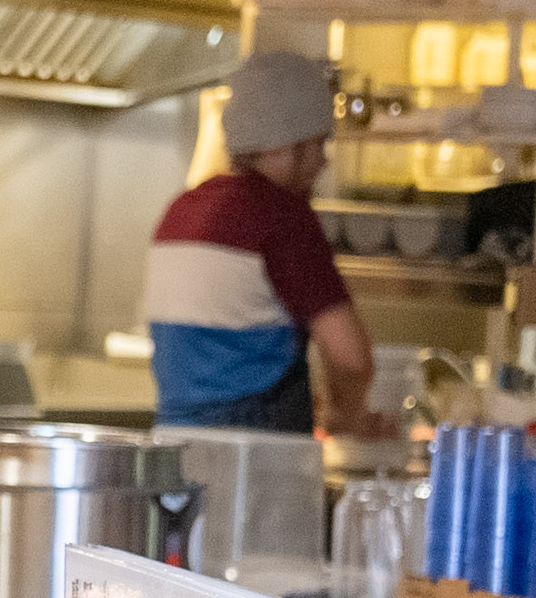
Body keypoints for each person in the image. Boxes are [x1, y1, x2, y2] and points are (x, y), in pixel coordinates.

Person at [143, 51, 386, 434]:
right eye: (318, 144)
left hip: (174, 449)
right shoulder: (283, 217)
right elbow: (350, 358)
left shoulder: (180, 211)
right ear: (283, 145)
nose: (323, 162)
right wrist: (348, 415)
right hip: (256, 458)